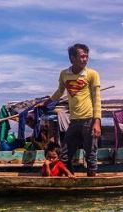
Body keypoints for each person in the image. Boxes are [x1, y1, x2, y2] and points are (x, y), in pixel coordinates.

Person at [39, 43, 101, 176]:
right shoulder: (64, 74)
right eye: (82, 56)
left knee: (90, 154)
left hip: (89, 120)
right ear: (72, 58)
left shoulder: (92, 74)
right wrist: (46, 102)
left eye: (86, 56)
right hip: (73, 120)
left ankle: (91, 182)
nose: (85, 59)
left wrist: (97, 122)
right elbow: (60, 91)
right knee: (65, 154)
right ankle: (70, 178)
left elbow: (97, 99)